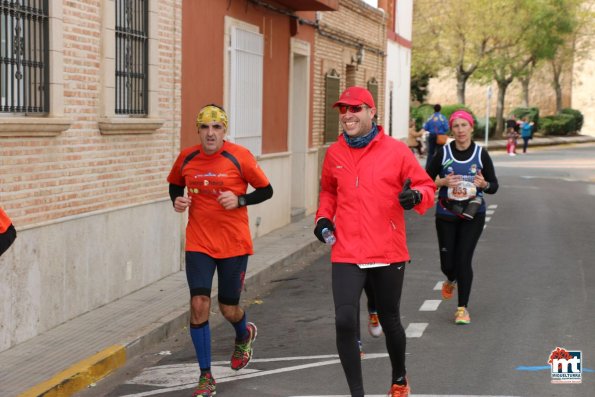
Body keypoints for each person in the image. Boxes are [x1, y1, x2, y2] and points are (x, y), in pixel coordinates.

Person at [314, 86, 436, 397]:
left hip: (387, 249)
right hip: (347, 249)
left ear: (372, 112)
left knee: (389, 318)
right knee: (344, 319)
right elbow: (328, 191)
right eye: (343, 110)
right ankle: (357, 394)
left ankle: (399, 378)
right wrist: (323, 218)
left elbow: (426, 187)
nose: (347, 115)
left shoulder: (396, 150)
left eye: (355, 109)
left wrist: (415, 196)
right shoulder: (335, 153)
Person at [167, 104, 273, 397]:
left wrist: (240, 201)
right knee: (199, 304)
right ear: (198, 130)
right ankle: (206, 376)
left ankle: (244, 333)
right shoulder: (186, 157)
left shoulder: (239, 157)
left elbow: (266, 190)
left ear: (225, 130)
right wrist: (177, 201)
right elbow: (175, 185)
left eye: (216, 127)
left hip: (233, 244)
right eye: (205, 127)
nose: (210, 133)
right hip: (199, 242)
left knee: (228, 307)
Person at [425, 110, 499, 325]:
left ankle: (462, 308)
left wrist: (484, 185)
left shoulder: (481, 154)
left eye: (463, 125)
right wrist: (442, 183)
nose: (460, 130)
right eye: (456, 126)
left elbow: (494, 186)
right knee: (448, 264)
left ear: (471, 127)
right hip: (446, 213)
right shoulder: (443, 153)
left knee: (464, 260)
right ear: (452, 129)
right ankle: (450, 278)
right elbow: (424, 180)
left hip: (473, 215)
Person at [423, 104, 449, 168]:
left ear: (434, 109)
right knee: (439, 152)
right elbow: (446, 128)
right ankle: (438, 167)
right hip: (440, 137)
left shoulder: (430, 117)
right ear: (440, 109)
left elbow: (425, 127)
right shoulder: (442, 118)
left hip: (431, 136)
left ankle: (428, 167)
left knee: (430, 152)